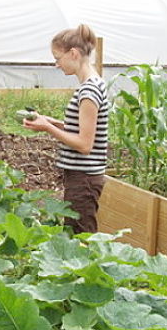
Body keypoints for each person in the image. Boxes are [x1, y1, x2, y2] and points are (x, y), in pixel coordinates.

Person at [23, 24, 109, 233]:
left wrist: (48, 128)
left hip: (84, 178)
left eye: (57, 58)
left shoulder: (89, 91)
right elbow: (84, 129)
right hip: (83, 177)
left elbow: (84, 144)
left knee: (81, 237)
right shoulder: (93, 84)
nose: (57, 64)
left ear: (73, 54)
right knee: (77, 234)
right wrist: (50, 122)